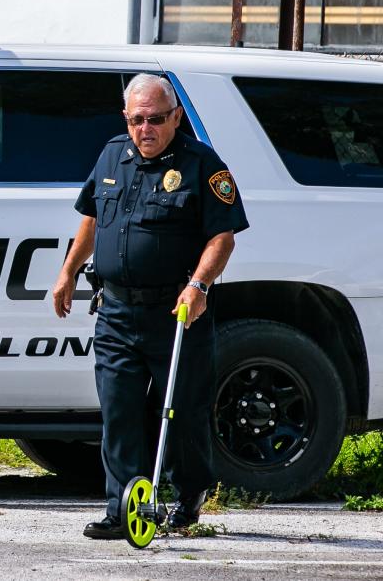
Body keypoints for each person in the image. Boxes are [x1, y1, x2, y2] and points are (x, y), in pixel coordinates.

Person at [52, 73, 249, 539]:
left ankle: (189, 493)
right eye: (138, 119)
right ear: (127, 117)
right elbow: (93, 218)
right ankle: (123, 509)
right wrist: (68, 271)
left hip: (176, 313)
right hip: (117, 312)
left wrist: (199, 286)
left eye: (156, 119)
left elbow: (222, 236)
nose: (146, 128)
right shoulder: (111, 155)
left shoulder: (203, 164)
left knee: (179, 411)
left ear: (176, 117)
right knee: (118, 411)